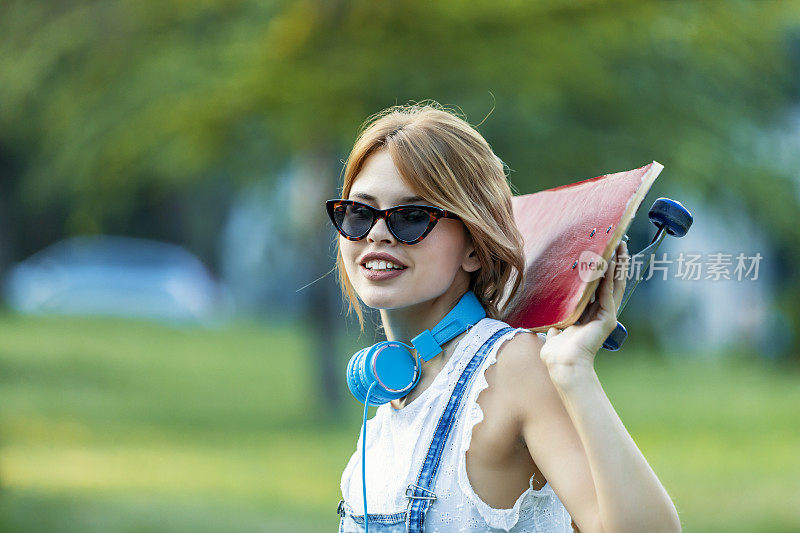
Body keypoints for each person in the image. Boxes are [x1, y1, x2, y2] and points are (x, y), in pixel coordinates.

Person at [327, 102, 680, 533]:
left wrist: (572, 370)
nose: (377, 234)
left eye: (412, 216)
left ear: (473, 248)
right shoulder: (393, 389)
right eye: (360, 213)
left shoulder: (513, 367)